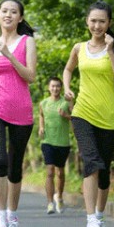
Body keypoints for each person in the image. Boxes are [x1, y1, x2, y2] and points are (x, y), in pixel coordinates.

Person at [63, 0, 114, 227]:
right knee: (91, 162)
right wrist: (68, 88)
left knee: (104, 169)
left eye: (102, 21)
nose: (97, 25)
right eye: (93, 21)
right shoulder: (79, 48)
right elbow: (68, 69)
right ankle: (91, 220)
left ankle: (99, 215)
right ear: (87, 22)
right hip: (82, 113)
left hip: (108, 117)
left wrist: (110, 51)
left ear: (109, 23)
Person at [0, 0, 37, 227]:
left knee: (15, 167)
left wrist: (9, 56)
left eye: (13, 12)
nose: (8, 15)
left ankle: (13, 215)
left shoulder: (28, 42)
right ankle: (0, 218)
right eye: (4, 11)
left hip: (21, 110)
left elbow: (31, 76)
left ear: (20, 18)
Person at [38, 76, 73, 214]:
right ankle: (50, 203)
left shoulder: (67, 102)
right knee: (50, 171)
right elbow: (41, 115)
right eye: (53, 86)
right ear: (49, 87)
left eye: (58, 86)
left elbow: (76, 116)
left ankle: (59, 196)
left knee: (60, 172)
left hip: (63, 142)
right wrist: (41, 127)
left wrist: (66, 116)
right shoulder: (44, 103)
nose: (55, 88)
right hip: (47, 141)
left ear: (61, 88)